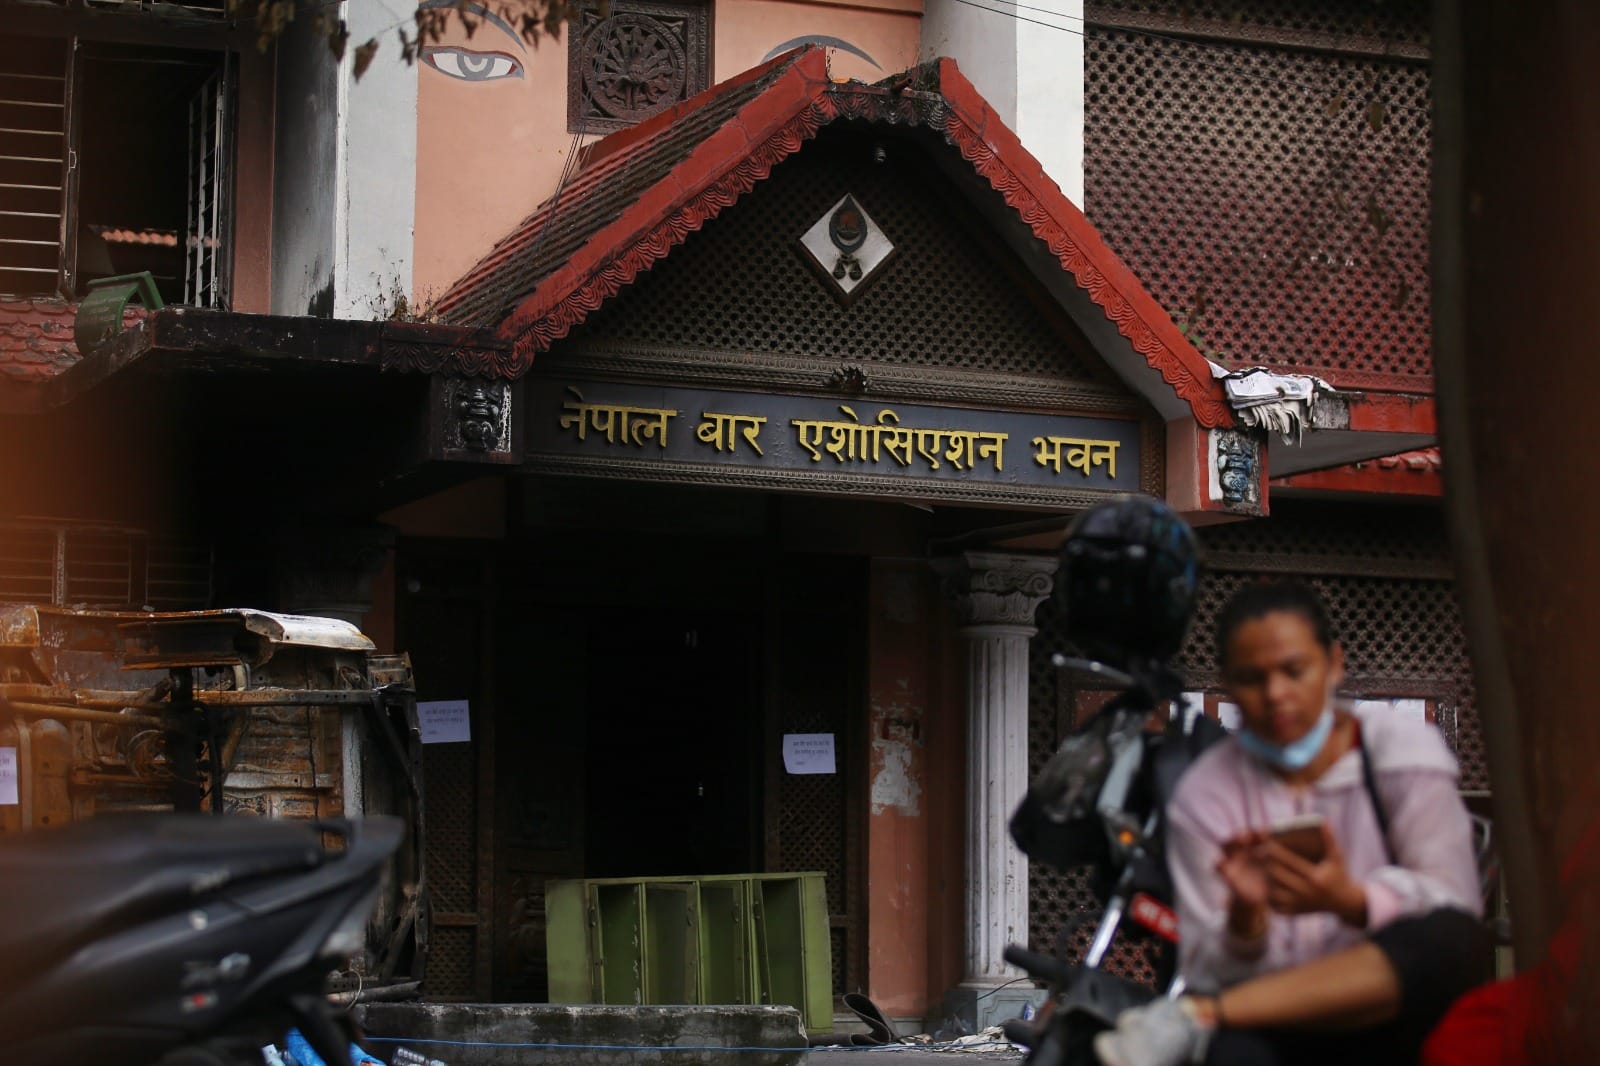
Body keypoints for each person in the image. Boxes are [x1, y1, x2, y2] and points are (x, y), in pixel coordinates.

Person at [1094, 580, 1491, 1066]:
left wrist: (1351, 901)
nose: (1276, 693)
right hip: (1274, 1022)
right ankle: (1210, 1015)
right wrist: (1246, 917)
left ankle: (1198, 1015)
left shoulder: (1398, 753)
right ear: (1228, 683)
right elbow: (1202, 960)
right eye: (1252, 678)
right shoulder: (1205, 795)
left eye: (1294, 670)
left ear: (1334, 664)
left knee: (1449, 937)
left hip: (1396, 1011)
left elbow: (1454, 906)